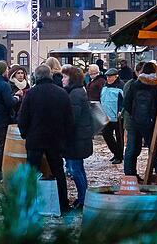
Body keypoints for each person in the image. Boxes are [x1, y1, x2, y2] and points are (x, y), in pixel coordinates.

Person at [18, 65, 74, 213]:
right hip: (55, 139)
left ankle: (28, 204)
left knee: (31, 173)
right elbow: (69, 119)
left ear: (36, 77)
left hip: (35, 139)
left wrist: (25, 134)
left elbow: (22, 118)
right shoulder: (62, 93)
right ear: (50, 76)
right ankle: (63, 203)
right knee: (58, 172)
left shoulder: (31, 94)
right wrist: (65, 138)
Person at [61, 65, 93, 210]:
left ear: (72, 79)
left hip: (76, 139)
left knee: (76, 169)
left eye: (65, 77)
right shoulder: (78, 92)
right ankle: (83, 197)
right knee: (78, 168)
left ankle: (83, 199)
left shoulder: (75, 94)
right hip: (79, 137)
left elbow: (72, 119)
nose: (63, 79)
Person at [123, 61, 157, 177]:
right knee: (152, 147)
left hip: (135, 121)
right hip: (150, 122)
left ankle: (130, 174)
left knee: (131, 148)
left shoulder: (134, 84)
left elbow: (126, 103)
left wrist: (134, 114)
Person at [101, 68, 125, 164]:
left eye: (110, 77)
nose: (108, 78)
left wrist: (121, 111)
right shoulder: (105, 86)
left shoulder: (121, 86)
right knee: (106, 135)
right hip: (107, 115)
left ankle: (119, 156)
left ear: (116, 76)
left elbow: (124, 100)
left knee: (119, 137)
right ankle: (116, 152)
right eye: (107, 77)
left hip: (117, 116)